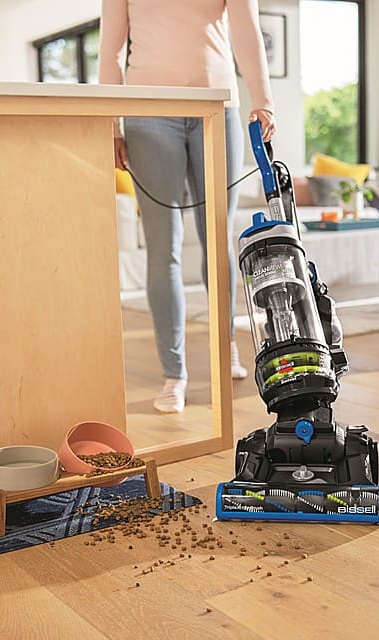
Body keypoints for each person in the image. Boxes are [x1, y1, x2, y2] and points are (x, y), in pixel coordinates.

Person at [99, 0, 277, 414]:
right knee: (163, 248)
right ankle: (173, 373)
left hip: (217, 109)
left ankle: (225, 345)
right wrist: (110, 123)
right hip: (147, 115)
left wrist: (263, 99)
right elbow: (110, 49)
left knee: (217, 239)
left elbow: (246, 28)